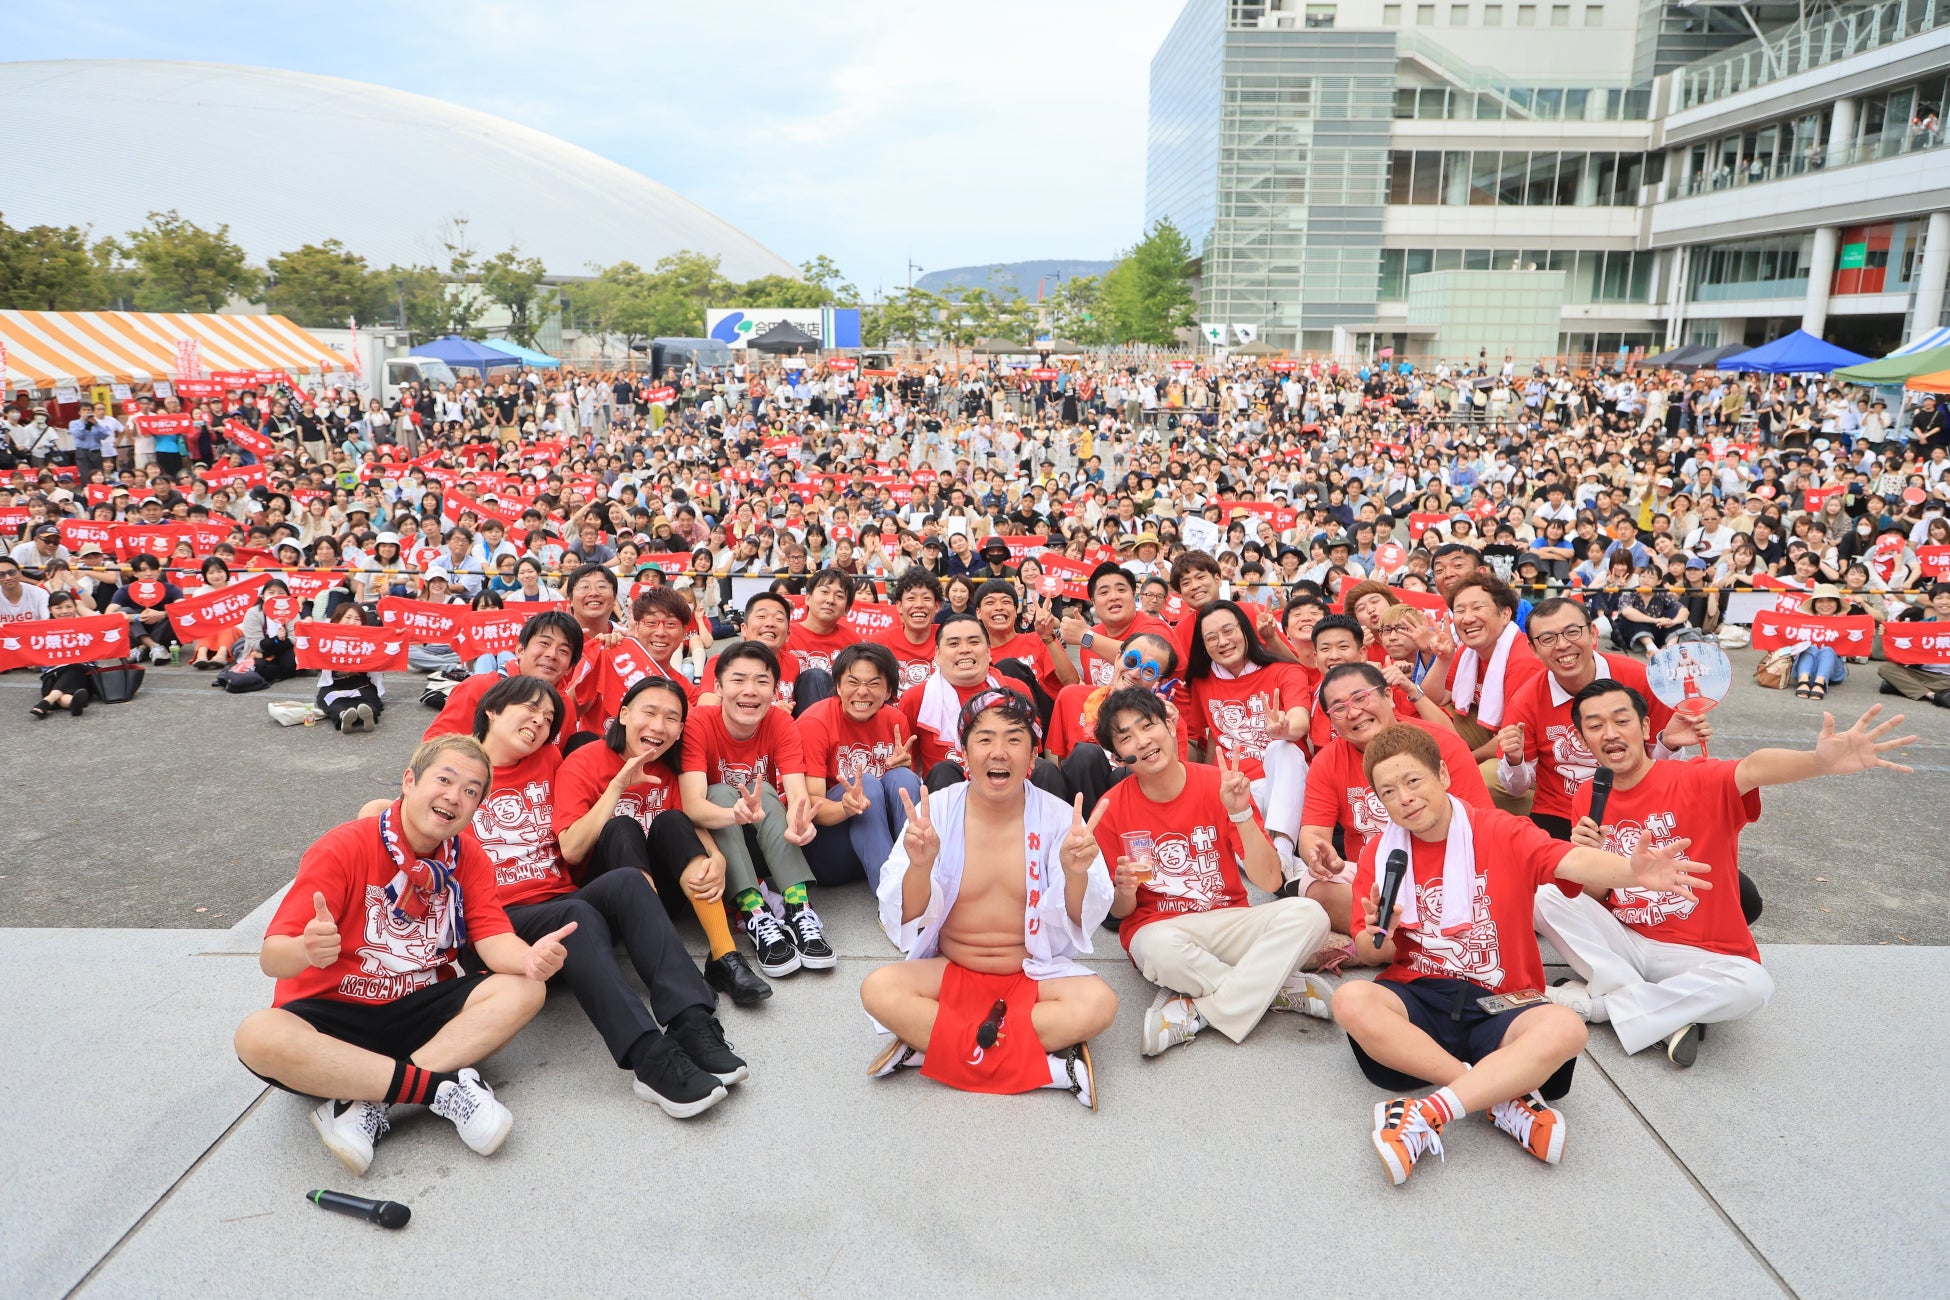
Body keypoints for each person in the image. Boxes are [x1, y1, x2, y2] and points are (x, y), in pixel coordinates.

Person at [1331, 723, 1709, 1185]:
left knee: (1566, 1027)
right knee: (1351, 999)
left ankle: (1431, 1111)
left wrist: (1632, 871)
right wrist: (1380, 932)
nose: (1404, 798)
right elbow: (1374, 953)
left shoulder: (1501, 830)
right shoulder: (1380, 853)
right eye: (1388, 791)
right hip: (1420, 999)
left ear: (1444, 776)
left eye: (1413, 781)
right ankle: (1497, 1094)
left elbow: (1570, 862)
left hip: (1500, 1001)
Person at [231, 735, 567, 1177]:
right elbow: (272, 959)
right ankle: (442, 1089)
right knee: (257, 1035)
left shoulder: (469, 859)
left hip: (420, 1010)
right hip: (334, 1015)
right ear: (409, 781)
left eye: (471, 791)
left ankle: (368, 1099)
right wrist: (306, 949)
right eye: (444, 780)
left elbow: (491, 938)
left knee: (525, 990)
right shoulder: (344, 846)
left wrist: (529, 960)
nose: (454, 797)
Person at [1540, 683, 1915, 1066]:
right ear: (1583, 738)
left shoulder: (1694, 779)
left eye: (1621, 720)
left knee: (1753, 985)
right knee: (1545, 893)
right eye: (1595, 725)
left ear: (1646, 727)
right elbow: (1600, 894)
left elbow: (1752, 768)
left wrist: (1818, 762)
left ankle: (1601, 1005)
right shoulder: (1589, 793)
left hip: (1696, 952)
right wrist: (1587, 855)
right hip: (1627, 937)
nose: (1610, 733)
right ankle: (1662, 1013)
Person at [464, 674, 745, 1116]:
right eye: (529, 709)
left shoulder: (549, 759)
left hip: (562, 900)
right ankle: (651, 1059)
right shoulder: (456, 767)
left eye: (548, 717)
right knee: (575, 915)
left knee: (628, 881)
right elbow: (397, 815)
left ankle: (692, 1021)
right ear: (492, 711)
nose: (539, 721)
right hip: (503, 922)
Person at [861, 690, 1116, 1107]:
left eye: (1014, 739)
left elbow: (1080, 920)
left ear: (1033, 757)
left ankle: (934, 1048)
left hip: (1030, 975)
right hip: (953, 970)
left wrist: (1075, 873)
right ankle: (1053, 1070)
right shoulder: (935, 811)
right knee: (879, 989)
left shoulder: (1057, 818)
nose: (999, 751)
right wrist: (920, 865)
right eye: (985, 739)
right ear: (964, 752)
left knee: (1099, 1004)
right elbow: (903, 916)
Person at [1090, 687, 1335, 1056]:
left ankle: (1197, 1010)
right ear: (1118, 755)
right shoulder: (1111, 807)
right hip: (1161, 931)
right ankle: (1274, 990)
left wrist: (1240, 812)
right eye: (1126, 737)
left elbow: (1269, 881)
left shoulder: (1219, 784)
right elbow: (1122, 913)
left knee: (1311, 914)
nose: (1142, 741)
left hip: (1229, 919)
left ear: (1170, 725)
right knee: (1157, 950)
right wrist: (1123, 889)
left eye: (1148, 725)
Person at [1299, 662, 1490, 937]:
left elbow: (1480, 823)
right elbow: (1313, 832)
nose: (1353, 712)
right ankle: (1426, 940)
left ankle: (1394, 942)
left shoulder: (1440, 743)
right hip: (1372, 879)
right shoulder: (1328, 760)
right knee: (1313, 888)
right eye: (1339, 708)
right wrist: (1316, 854)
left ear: (1388, 696)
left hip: (1445, 872)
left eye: (1360, 698)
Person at [677, 640, 828, 979]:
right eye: (738, 680)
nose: (750, 691)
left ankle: (798, 907)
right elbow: (692, 806)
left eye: (761, 681)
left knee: (770, 792)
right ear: (717, 687)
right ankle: (755, 913)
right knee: (718, 791)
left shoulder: (780, 722)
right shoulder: (699, 723)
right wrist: (735, 814)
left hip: (769, 840)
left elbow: (796, 792)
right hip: (719, 838)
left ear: (774, 690)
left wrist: (799, 824)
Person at [1492, 596, 1688, 839]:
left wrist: (1670, 742)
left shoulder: (1640, 679)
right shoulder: (1526, 699)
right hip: (1561, 813)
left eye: (1572, 632)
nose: (1562, 645)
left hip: (1638, 806)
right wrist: (1514, 759)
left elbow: (1665, 766)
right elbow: (1517, 788)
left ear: (1593, 634)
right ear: (1533, 649)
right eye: (1547, 638)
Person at [1181, 599, 1313, 877]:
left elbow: (1300, 721)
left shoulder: (1284, 670)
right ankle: (1283, 870)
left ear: (1245, 631)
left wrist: (1285, 728)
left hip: (1284, 784)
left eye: (1229, 631)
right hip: (1238, 788)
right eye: (1211, 637)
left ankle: (1283, 851)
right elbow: (1213, 739)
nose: (1223, 641)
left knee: (1283, 749)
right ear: (1203, 646)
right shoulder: (1202, 682)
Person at [797, 643, 925, 890]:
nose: (862, 692)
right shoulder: (815, 722)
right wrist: (845, 807)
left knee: (904, 779)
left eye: (874, 684)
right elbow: (810, 804)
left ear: (888, 691)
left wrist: (904, 768)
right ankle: (891, 896)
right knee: (864, 784)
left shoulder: (895, 720)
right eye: (853, 682)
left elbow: (900, 797)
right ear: (838, 686)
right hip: (831, 851)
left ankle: (920, 880)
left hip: (880, 840)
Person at [423, 610, 585, 749]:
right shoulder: (479, 687)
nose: (551, 654)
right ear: (520, 649)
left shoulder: (564, 705)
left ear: (570, 668)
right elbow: (434, 746)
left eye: (563, 651)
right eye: (544, 643)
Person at [1057, 562, 1177, 686]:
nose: (1114, 597)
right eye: (1104, 592)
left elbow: (1145, 659)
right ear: (1093, 602)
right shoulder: (1092, 636)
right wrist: (1049, 639)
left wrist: (1084, 637)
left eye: (1121, 590)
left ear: (1134, 594)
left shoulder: (1156, 629)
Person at [1876, 581, 1950, 706]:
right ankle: (1931, 695)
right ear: (1931, 602)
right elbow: (1902, 652)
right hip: (1923, 673)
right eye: (1939, 598)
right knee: (1886, 668)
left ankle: (1900, 687)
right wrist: (1887, 632)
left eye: (1949, 598)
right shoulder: (1921, 626)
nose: (1944, 602)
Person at [317, 602, 387, 734]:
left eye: (357, 619)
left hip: (361, 683)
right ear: (338, 619)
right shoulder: (327, 636)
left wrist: (398, 634)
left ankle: (367, 716)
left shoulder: (369, 639)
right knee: (332, 702)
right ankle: (344, 717)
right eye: (348, 617)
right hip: (334, 684)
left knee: (370, 701)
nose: (352, 622)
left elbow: (388, 641)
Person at [871, 566, 942, 696]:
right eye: (911, 598)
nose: (919, 604)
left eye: (926, 598)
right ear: (899, 606)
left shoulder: (950, 639)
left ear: (937, 606)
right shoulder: (878, 644)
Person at [29, 589, 93, 718]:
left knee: (74, 667)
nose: (64, 611)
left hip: (83, 673)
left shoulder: (87, 625)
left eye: (69, 606)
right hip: (52, 675)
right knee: (62, 688)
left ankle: (46, 702)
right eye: (58, 608)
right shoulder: (41, 628)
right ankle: (71, 702)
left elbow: (105, 621)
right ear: (50, 609)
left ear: (75, 607)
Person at [110, 553, 182, 665]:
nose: (148, 574)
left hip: (166, 637)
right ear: (134, 573)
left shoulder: (171, 589)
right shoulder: (125, 591)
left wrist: (162, 614)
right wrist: (136, 617)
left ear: (159, 571)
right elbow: (109, 614)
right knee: (125, 610)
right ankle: (153, 646)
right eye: (143, 570)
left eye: (152, 569)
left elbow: (183, 609)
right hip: (136, 636)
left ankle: (143, 648)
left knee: (172, 612)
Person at [1791, 584, 1851, 700]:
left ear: (1837, 604)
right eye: (1820, 601)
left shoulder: (1845, 623)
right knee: (1810, 647)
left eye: (1830, 601)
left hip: (1833, 670)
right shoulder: (1803, 622)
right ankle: (1803, 681)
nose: (1825, 605)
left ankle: (1820, 682)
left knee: (1827, 650)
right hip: (1804, 667)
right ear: (1814, 604)